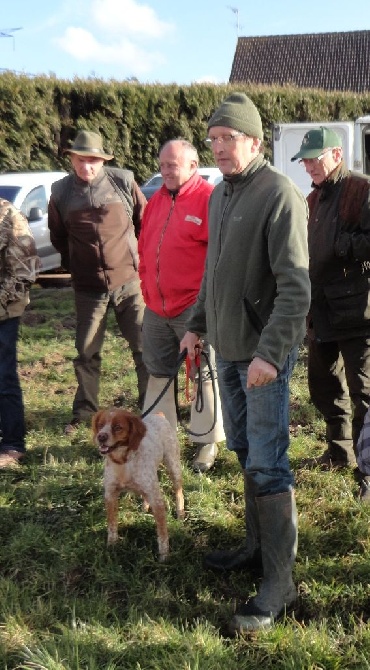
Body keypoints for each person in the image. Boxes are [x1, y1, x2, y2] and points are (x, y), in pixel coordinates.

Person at [180, 92, 310, 633]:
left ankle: (281, 583)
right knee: (242, 451)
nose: (218, 147)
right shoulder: (219, 195)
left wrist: (270, 355)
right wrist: (195, 324)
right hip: (226, 349)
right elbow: (214, 274)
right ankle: (256, 549)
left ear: (254, 141)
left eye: (227, 138)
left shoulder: (278, 193)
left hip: (261, 359)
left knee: (268, 462)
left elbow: (296, 288)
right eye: (212, 139)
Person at [48, 130, 148, 434]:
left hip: (130, 282)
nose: (86, 166)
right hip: (89, 289)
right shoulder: (62, 192)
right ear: (72, 159)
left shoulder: (122, 181)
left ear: (102, 160)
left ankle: (153, 407)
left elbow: (146, 221)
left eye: (92, 160)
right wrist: (77, 267)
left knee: (144, 348)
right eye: (80, 159)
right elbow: (58, 237)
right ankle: (84, 412)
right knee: (86, 352)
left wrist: (138, 262)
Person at [291, 127, 370, 499]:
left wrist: (345, 245)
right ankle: (341, 452)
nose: (310, 166)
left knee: (365, 393)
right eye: (305, 160)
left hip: (358, 313)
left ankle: (368, 472)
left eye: (315, 158)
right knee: (324, 387)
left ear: (336, 154)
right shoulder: (313, 199)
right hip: (321, 311)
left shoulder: (361, 189)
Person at [138, 139, 225, 472]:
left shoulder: (209, 199)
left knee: (203, 374)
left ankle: (206, 443)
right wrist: (147, 289)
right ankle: (161, 440)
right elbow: (145, 248)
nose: (165, 171)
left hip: (193, 308)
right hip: (157, 308)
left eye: (171, 165)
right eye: (162, 165)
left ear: (192, 165)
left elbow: (216, 260)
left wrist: (201, 312)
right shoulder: (156, 200)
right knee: (158, 375)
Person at [0, 198, 39, 467]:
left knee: (3, 378)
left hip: (4, 311)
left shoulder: (8, 214)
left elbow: (24, 271)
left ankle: (13, 445)